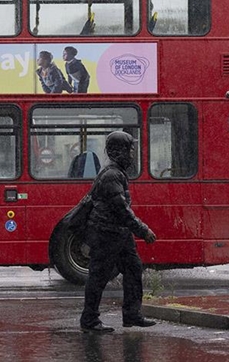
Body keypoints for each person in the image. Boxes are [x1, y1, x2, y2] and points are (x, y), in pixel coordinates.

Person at [80, 131, 157, 333]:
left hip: (119, 234)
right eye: (130, 150)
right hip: (106, 234)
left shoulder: (117, 173)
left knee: (133, 269)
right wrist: (143, 230)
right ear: (118, 151)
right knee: (98, 277)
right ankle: (89, 321)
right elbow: (122, 210)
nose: (132, 155)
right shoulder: (111, 176)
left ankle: (132, 315)